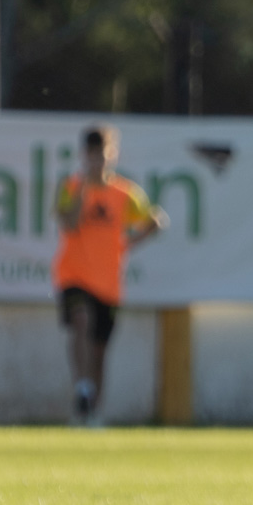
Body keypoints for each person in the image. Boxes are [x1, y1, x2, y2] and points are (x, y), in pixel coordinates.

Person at [52, 124, 166, 425]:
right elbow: (69, 224)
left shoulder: (124, 192)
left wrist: (128, 244)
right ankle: (82, 387)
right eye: (90, 155)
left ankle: (91, 414)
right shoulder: (71, 187)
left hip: (108, 280)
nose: (96, 161)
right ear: (82, 155)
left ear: (111, 155)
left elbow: (156, 220)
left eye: (101, 155)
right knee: (80, 323)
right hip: (74, 273)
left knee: (100, 349)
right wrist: (84, 190)